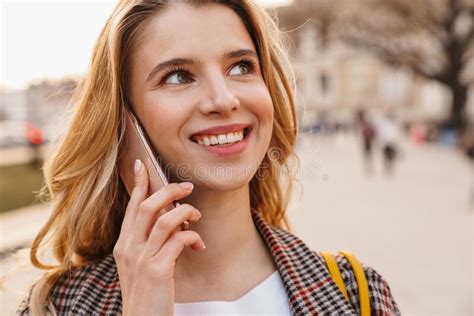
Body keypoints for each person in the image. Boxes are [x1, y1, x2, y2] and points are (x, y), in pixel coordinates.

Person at [16, 1, 399, 315]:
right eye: (179, 76)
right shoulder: (54, 306)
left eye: (241, 67)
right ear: (124, 120)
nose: (224, 99)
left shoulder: (355, 291)